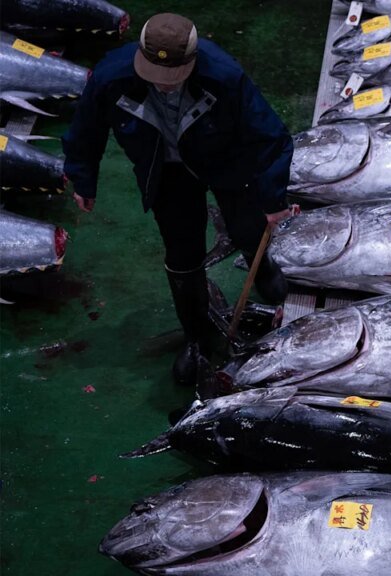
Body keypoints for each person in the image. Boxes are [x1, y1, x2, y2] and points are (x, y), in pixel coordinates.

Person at [63, 13, 294, 385]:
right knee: (181, 254)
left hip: (224, 159)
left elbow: (270, 136)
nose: (165, 87)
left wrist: (273, 199)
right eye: (156, 77)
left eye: (174, 79)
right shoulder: (110, 76)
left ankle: (262, 266)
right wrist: (83, 179)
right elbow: (86, 130)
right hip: (164, 169)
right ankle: (197, 337)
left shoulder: (224, 74)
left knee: (247, 226)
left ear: (194, 59)